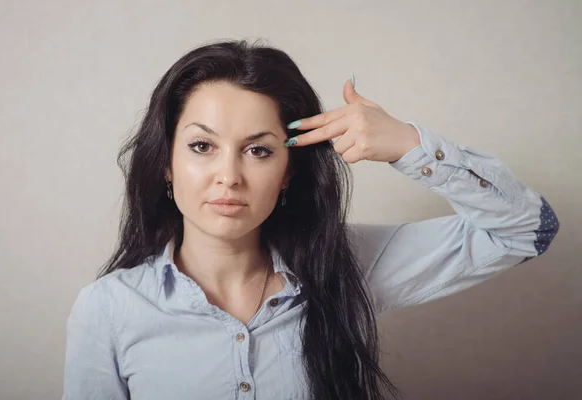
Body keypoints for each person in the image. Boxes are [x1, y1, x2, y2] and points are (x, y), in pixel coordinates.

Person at [62, 39, 559, 400]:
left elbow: (523, 231)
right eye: (201, 146)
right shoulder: (108, 309)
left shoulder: (347, 267)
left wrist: (410, 145)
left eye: (258, 150)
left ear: (287, 173)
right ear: (167, 164)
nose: (228, 176)